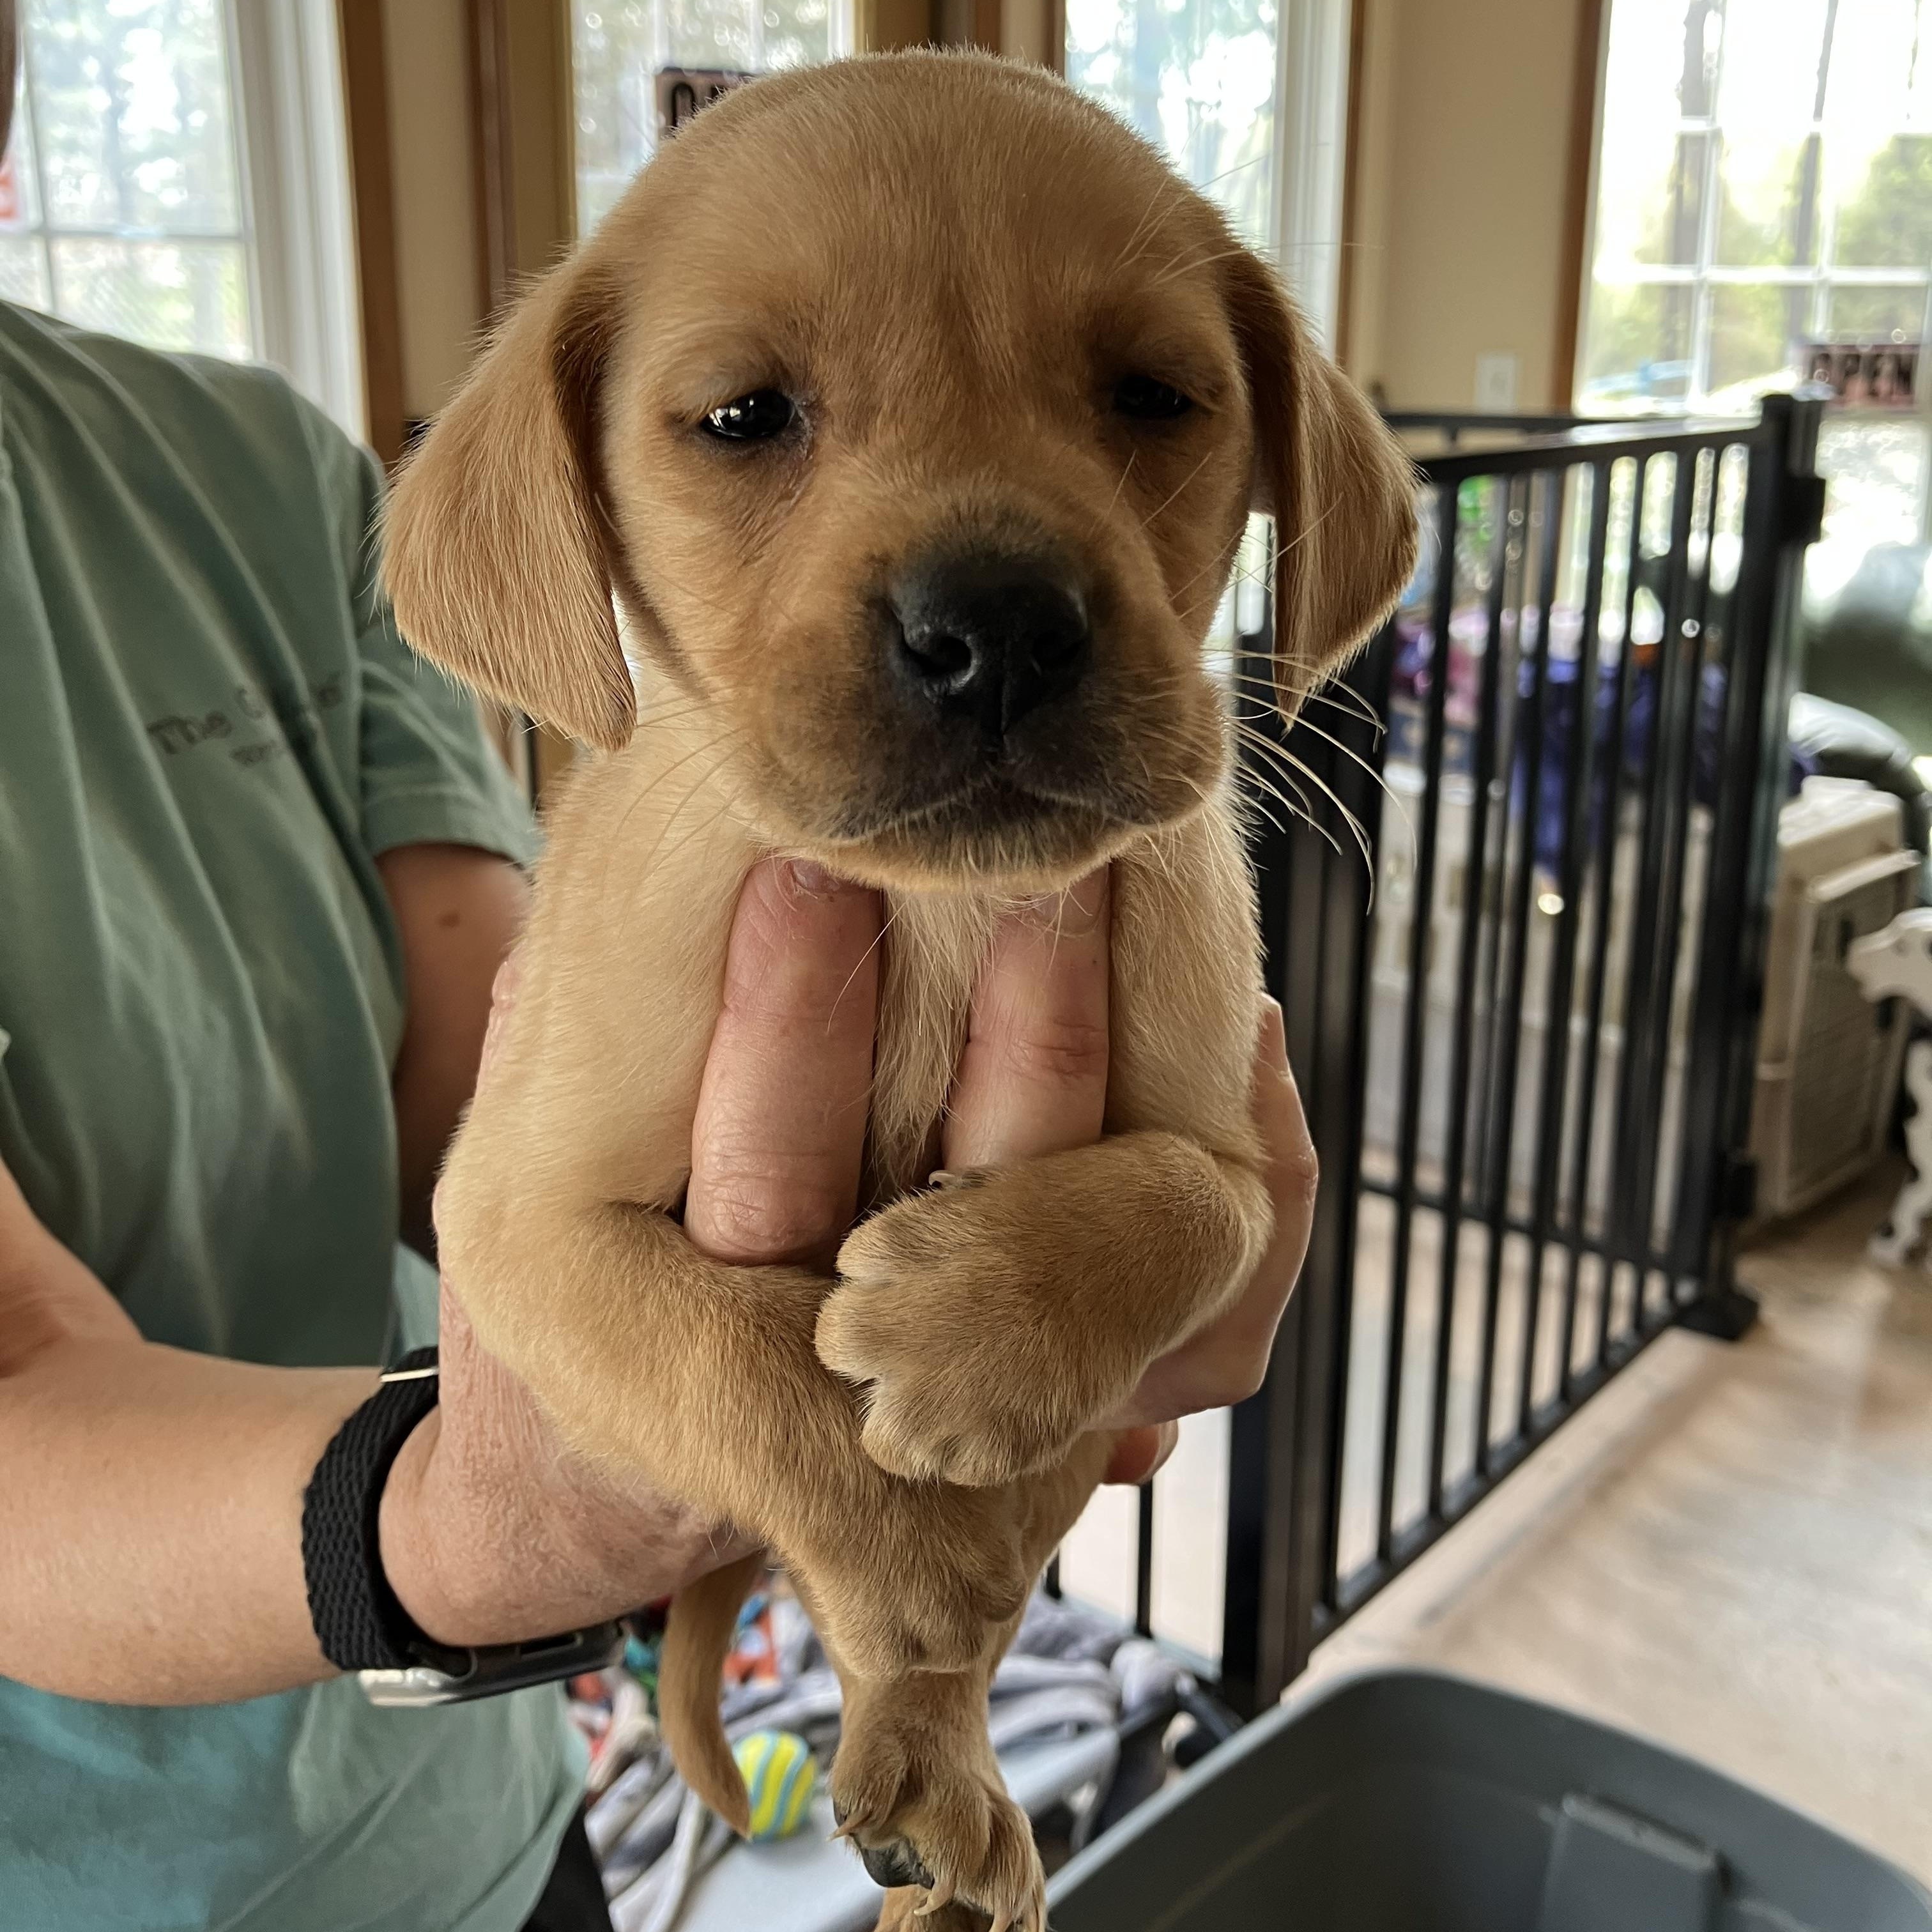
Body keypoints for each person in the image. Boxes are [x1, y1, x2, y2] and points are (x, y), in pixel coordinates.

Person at [0, 10, 1317, 1928]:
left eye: (1149, 399)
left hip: (478, 1811)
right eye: (750, 420)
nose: (997, 582)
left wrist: (1131, 1244)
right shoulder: (457, 490)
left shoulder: (250, 475)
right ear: (582, 511)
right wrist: (538, 1520)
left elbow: (487, 1116)